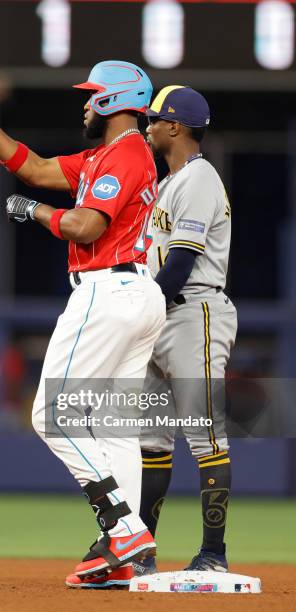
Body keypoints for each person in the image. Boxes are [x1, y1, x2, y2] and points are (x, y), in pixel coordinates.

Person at [0, 60, 166, 588]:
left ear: (115, 102)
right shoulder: (105, 155)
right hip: (136, 295)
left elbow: (84, 223)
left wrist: (34, 213)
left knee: (52, 414)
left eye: (93, 96)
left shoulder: (125, 154)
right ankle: (129, 553)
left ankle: (123, 527)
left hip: (107, 291)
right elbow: (40, 168)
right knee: (114, 428)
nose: (86, 103)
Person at [134, 86, 237, 575]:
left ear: (175, 127)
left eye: (154, 119)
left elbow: (181, 264)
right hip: (161, 315)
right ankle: (140, 551)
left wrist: (139, 307)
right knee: (151, 443)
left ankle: (213, 554)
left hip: (194, 313)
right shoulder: (168, 182)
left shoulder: (199, 179)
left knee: (204, 436)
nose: (148, 125)